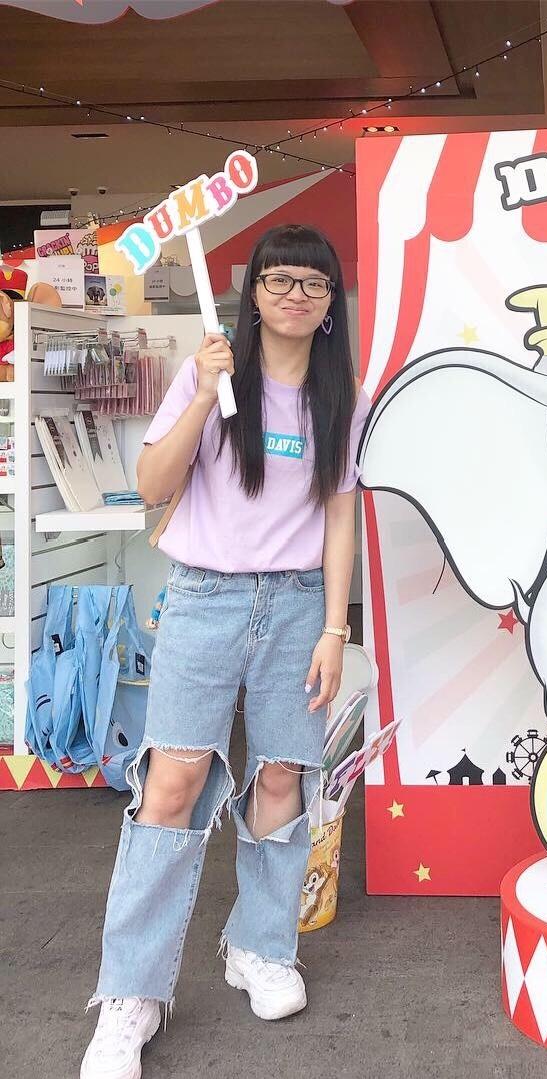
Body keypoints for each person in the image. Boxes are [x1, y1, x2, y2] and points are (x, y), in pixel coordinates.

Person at [81, 225, 369, 1079]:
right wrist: (206, 394)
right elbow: (152, 484)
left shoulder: (339, 397)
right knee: (172, 783)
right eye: (279, 280)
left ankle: (260, 945)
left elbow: (341, 517)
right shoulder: (208, 374)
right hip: (205, 599)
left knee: (282, 775)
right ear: (254, 294)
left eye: (313, 283)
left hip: (297, 609)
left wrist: (335, 627)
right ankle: (131, 993)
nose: (295, 294)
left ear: (329, 304)